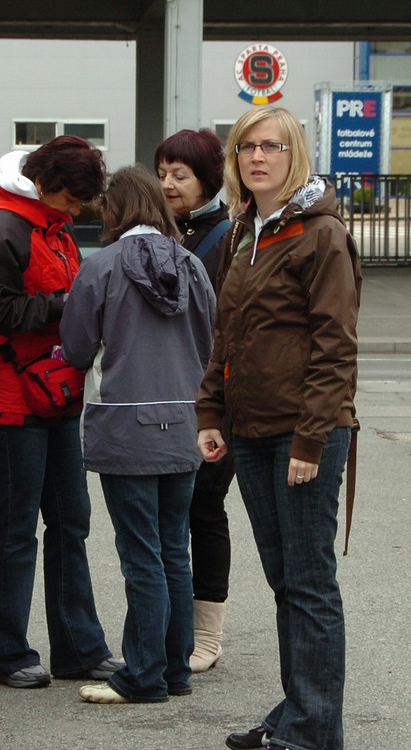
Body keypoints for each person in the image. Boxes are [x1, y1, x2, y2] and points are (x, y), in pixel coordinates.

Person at [196, 106, 361, 750]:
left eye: (272, 147)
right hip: (252, 429)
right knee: (285, 580)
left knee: (309, 582)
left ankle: (316, 732)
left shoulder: (321, 235)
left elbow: (335, 347)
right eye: (247, 148)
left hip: (302, 432)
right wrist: (211, 412)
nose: (258, 157)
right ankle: (298, 709)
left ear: (295, 156)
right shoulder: (246, 231)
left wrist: (311, 442)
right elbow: (226, 333)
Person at [0, 135, 121, 689]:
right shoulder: (5, 228)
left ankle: (78, 647)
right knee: (17, 526)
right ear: (45, 184)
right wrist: (64, 306)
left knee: (71, 521)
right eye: (72, 198)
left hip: (53, 390)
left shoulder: (49, 224)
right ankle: (11, 653)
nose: (76, 209)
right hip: (13, 397)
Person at [59, 166, 215, 704]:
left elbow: (77, 346)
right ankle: (174, 668)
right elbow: (210, 340)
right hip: (185, 421)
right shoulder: (193, 266)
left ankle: (143, 674)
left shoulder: (101, 266)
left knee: (141, 554)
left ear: (115, 210)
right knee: (174, 549)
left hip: (124, 423)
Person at [155, 128, 235, 673]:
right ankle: (169, 625)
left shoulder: (228, 237)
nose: (168, 184)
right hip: (165, 392)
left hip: (213, 395)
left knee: (204, 507)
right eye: (162, 174)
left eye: (180, 175)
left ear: (207, 178)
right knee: (168, 510)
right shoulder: (160, 231)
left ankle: (206, 634)